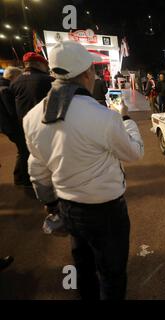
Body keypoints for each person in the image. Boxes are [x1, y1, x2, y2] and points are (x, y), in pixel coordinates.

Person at [23, 40, 144, 300]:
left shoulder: (32, 117)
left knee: (84, 268)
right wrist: (126, 119)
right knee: (112, 273)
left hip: (67, 206)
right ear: (87, 74)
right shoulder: (104, 117)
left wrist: (51, 203)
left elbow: (37, 169)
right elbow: (134, 153)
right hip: (106, 211)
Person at [10, 52, 53, 187]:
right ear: (40, 64)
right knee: (44, 155)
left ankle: (24, 181)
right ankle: (46, 184)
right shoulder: (48, 80)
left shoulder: (15, 81)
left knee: (25, 153)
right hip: (43, 123)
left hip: (22, 123)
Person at [0, 67, 25, 185]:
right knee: (23, 151)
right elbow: (12, 112)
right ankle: (20, 178)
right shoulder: (5, 90)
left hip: (5, 126)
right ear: (13, 77)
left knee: (22, 150)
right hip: (11, 126)